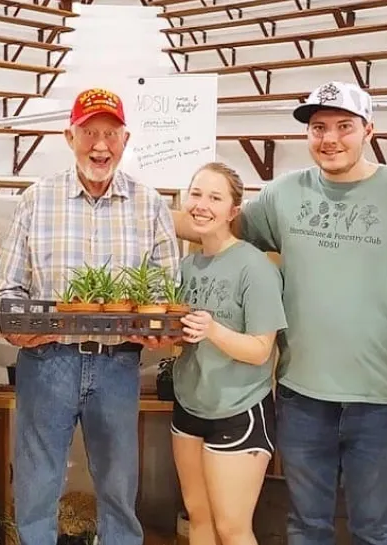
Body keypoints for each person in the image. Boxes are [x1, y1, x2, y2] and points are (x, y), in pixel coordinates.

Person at [173, 81, 387, 545]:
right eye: (319, 127)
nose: (330, 138)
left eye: (344, 126)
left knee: (376, 529)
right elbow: (217, 223)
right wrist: (147, 215)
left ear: (369, 130)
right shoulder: (283, 195)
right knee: (306, 527)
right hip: (301, 396)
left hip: (383, 398)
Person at [0, 87, 180, 545]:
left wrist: (158, 331)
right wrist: (16, 331)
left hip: (118, 364)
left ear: (126, 139)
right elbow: (5, 289)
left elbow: (164, 291)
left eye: (111, 133)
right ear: (69, 136)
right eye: (89, 132)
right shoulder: (37, 199)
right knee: (37, 487)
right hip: (46, 361)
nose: (100, 144)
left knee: (118, 488)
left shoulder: (149, 204)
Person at [170, 162, 287, 545]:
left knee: (232, 528)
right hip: (190, 405)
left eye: (215, 198)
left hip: (239, 412)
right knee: (199, 518)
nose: (202, 205)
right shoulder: (186, 266)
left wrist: (213, 330)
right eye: (196, 194)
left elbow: (260, 351)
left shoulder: (255, 267)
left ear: (233, 210)